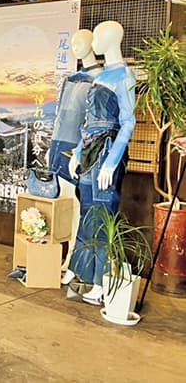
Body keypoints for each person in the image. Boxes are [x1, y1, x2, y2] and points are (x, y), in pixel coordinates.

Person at [67, 21, 136, 304]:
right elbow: (89, 121)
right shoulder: (102, 75)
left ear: (112, 39)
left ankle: (101, 280)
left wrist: (112, 161)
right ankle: (83, 274)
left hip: (107, 150)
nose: (93, 41)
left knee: (103, 214)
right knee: (88, 213)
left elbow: (128, 122)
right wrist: (78, 153)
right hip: (90, 149)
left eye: (97, 36)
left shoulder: (124, 77)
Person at [44, 29, 104, 284]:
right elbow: (61, 116)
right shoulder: (71, 79)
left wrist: (80, 150)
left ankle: (73, 259)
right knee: (62, 203)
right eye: (72, 43)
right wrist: (51, 145)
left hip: (79, 148)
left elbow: (93, 121)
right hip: (60, 144)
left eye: (80, 42)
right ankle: (61, 255)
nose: (75, 47)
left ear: (93, 44)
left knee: (77, 205)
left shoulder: (100, 79)